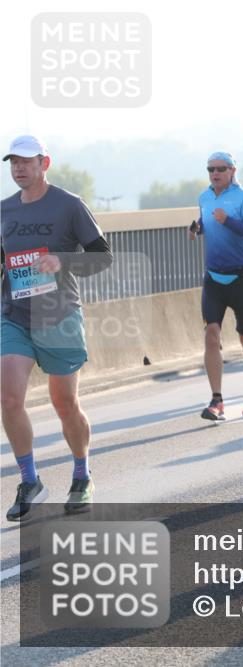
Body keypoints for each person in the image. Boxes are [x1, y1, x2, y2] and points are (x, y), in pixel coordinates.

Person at [2, 135, 113, 520]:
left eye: (26, 161)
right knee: (10, 398)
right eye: (13, 161)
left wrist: (61, 261)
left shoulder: (69, 206)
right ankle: (29, 480)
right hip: (14, 315)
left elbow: (102, 257)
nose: (18, 168)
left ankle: (81, 475)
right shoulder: (4, 210)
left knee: (64, 404)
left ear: (44, 163)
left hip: (59, 314)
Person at [190, 151, 243, 421]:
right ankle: (216, 400)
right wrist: (197, 228)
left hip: (241, 277)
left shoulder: (242, 197)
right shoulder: (204, 197)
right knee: (211, 334)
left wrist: (229, 221)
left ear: (233, 170)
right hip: (214, 277)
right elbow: (207, 224)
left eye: (221, 168)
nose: (215, 173)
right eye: (210, 168)